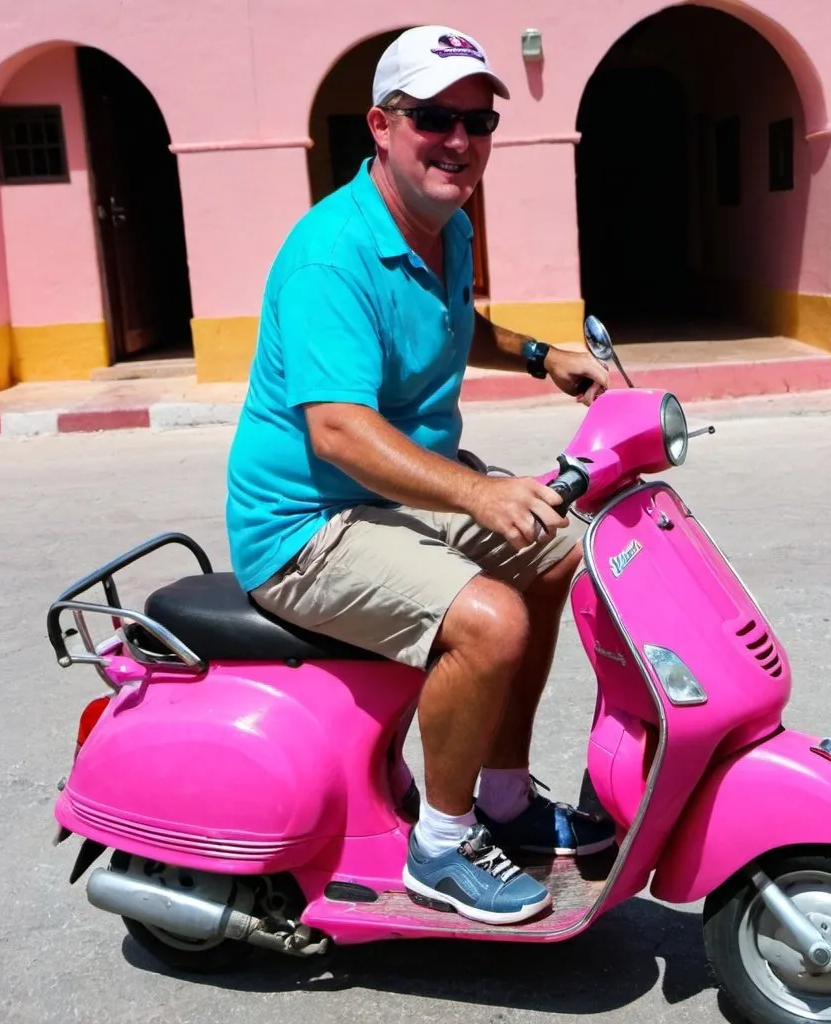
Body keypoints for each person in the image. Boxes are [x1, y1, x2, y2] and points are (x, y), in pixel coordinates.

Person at [226, 25, 612, 926]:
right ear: (381, 125)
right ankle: (439, 847)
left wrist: (535, 354)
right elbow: (339, 431)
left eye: (478, 121)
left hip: (396, 496)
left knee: (557, 548)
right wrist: (478, 491)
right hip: (307, 525)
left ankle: (505, 801)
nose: (460, 140)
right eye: (434, 117)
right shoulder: (333, 253)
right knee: (492, 620)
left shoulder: (447, 224)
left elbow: (450, 320)